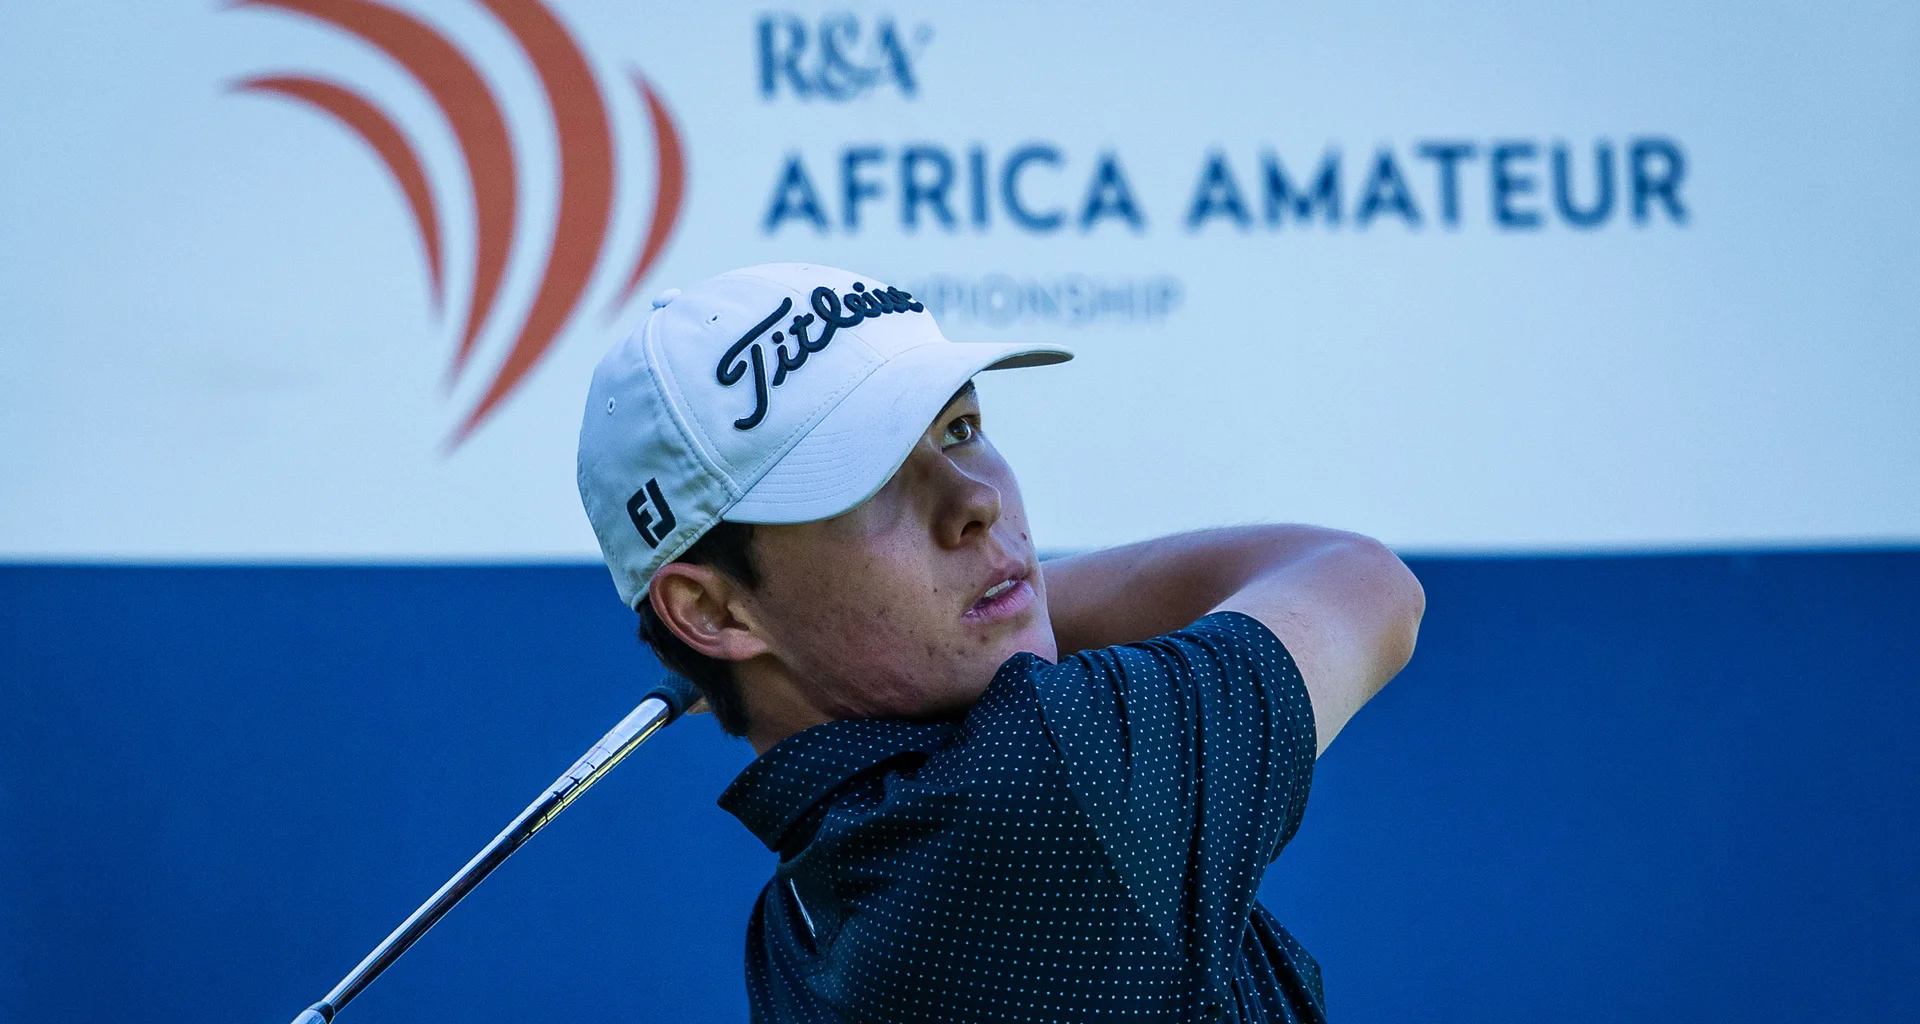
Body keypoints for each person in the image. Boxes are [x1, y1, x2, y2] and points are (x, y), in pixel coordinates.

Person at [576, 264, 1424, 1023]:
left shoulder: (797, 917)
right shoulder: (1041, 792)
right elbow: (1361, 580)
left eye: (959, 430)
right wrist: (1013, 592)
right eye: (867, 485)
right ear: (714, 613)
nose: (976, 501)